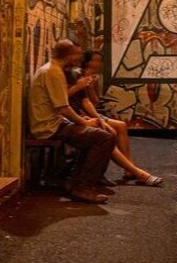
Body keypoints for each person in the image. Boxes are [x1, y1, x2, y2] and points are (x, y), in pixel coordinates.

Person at [29, 39, 116, 204]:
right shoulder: (53, 72)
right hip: (49, 127)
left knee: (98, 134)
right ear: (69, 55)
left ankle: (74, 181)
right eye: (76, 53)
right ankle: (82, 187)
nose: (79, 57)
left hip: (55, 122)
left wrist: (85, 119)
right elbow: (63, 107)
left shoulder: (53, 70)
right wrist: (84, 123)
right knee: (104, 138)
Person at [66, 50, 162, 186]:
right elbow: (64, 101)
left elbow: (92, 101)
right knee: (109, 133)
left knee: (121, 125)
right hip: (77, 115)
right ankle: (136, 171)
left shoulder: (88, 76)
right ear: (87, 61)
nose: (98, 63)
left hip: (84, 113)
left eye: (100, 60)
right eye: (95, 60)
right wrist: (80, 87)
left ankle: (129, 168)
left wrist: (91, 87)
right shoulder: (74, 74)